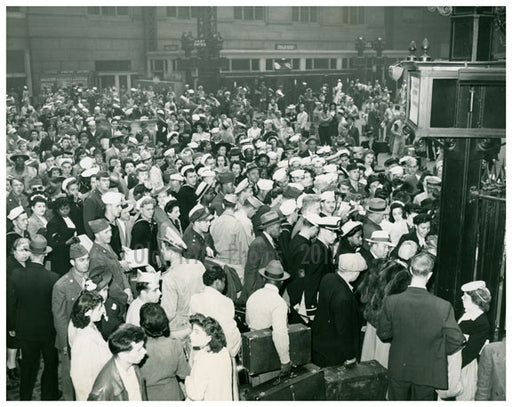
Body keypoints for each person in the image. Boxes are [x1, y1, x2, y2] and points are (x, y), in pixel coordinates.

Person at [377, 252, 465, 401]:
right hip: (428, 370)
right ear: (430, 274)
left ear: (410, 270)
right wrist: (437, 348)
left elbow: (383, 333)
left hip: (399, 366)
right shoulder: (442, 306)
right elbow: (456, 340)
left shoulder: (392, 301)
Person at [8, 235, 60, 400]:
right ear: (44, 255)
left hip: (25, 330)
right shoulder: (53, 278)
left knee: (29, 367)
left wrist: (11, 327)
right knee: (50, 365)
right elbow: (55, 309)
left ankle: (24, 398)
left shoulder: (15, 275)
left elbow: (10, 305)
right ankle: (48, 396)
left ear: (30, 253)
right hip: (48, 331)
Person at [312, 253, 367, 368]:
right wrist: (350, 357)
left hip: (320, 342)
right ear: (353, 273)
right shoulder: (344, 297)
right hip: (335, 352)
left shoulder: (328, 278)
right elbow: (343, 331)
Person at [51, 243, 91, 400]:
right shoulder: (62, 285)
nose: (86, 263)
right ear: (72, 262)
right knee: (69, 376)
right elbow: (59, 317)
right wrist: (65, 344)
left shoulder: (90, 278)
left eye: (87, 259)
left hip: (88, 335)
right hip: (70, 338)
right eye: (81, 260)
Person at [246, 260, 291, 380]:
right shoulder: (279, 303)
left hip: (253, 353)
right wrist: (285, 361)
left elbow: (248, 321)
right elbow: (280, 334)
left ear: (264, 279)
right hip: (269, 354)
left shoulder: (253, 296)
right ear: (281, 282)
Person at [159, 226, 205, 339]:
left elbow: (169, 313)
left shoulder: (169, 277)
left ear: (170, 252)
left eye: (163, 248)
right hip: (200, 323)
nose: (161, 251)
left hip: (179, 329)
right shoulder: (198, 265)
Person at [139, 303, 190, 400]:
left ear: (142, 324)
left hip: (146, 396)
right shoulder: (174, 344)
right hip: (172, 395)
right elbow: (184, 373)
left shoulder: (137, 348)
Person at [189, 265, 241, 358]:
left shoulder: (194, 298)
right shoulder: (227, 302)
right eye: (224, 282)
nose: (225, 285)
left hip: (200, 347)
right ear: (217, 282)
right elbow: (228, 330)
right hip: (221, 348)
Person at [68, 291, 111, 401]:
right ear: (87, 312)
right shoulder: (84, 339)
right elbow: (80, 379)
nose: (103, 310)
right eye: (100, 307)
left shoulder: (90, 326)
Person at [88, 324, 148, 401]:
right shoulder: (104, 388)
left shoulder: (133, 367)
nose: (145, 351)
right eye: (139, 350)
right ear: (122, 355)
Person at [456, 280, 492, 401]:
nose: (461, 298)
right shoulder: (467, 314)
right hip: (455, 362)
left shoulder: (481, 322)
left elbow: (470, 352)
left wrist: (452, 366)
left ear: (474, 299)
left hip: (465, 367)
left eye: (465, 296)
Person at [185, 313, 233, 401]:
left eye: (197, 332)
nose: (190, 335)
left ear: (209, 338)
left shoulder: (203, 361)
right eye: (192, 331)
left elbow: (196, 395)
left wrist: (187, 380)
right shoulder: (224, 352)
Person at [238, 210, 282, 305]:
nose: (281, 230)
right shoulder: (258, 243)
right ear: (270, 228)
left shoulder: (269, 241)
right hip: (258, 293)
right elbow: (250, 271)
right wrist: (251, 297)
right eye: (278, 228)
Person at [6, 237, 31, 387]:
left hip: (25, 308)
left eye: (28, 250)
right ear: (13, 251)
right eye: (22, 250)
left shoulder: (27, 264)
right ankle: (11, 366)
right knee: (13, 339)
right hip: (12, 310)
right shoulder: (9, 267)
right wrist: (12, 322)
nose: (25, 254)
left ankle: (20, 362)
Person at [46, 196, 78, 277]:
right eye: (62, 209)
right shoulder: (53, 223)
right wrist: (67, 243)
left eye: (67, 208)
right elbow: (51, 244)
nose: (65, 211)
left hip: (70, 254)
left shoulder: (70, 217)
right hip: (60, 258)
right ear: (57, 210)